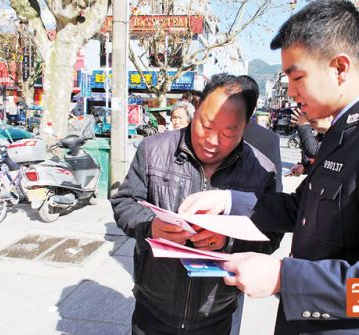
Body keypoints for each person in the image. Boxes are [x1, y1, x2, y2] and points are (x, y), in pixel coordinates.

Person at [178, 1, 359, 334]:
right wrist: (229, 202)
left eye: (298, 77)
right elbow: (300, 206)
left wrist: (283, 278)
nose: (291, 92)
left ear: (340, 68)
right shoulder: (346, 131)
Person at [110, 73, 282, 334]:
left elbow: (271, 235)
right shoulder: (152, 149)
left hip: (216, 309)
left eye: (228, 132)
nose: (212, 141)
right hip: (153, 304)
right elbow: (124, 203)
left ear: (246, 126)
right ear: (197, 108)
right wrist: (152, 227)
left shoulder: (261, 171)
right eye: (206, 125)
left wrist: (228, 242)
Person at [289, 109, 332, 176]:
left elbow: (313, 151)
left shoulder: (339, 134)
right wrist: (304, 168)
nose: (312, 124)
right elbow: (320, 162)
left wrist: (303, 125)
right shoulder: (322, 134)